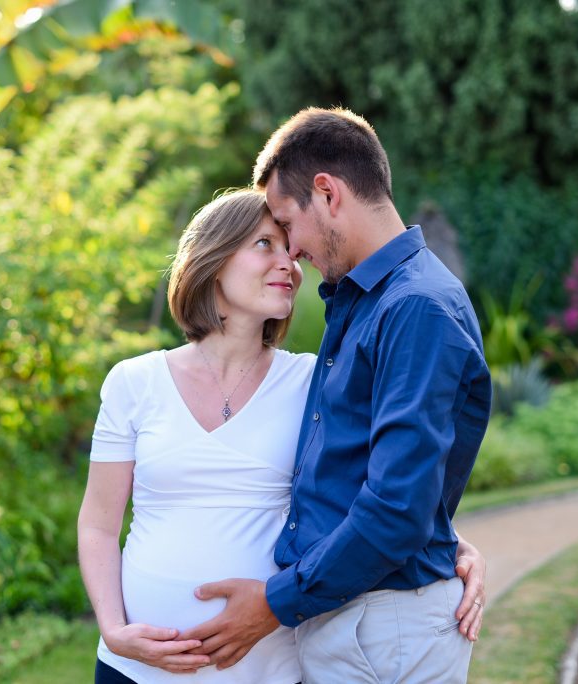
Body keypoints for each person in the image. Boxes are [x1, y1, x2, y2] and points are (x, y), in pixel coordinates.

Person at [78, 186, 488, 683]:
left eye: (291, 250)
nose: (290, 265)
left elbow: (382, 489)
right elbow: (99, 525)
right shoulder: (133, 382)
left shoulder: (314, 381)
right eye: (265, 245)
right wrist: (115, 629)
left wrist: (454, 545)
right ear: (213, 257)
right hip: (134, 669)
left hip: (268, 666)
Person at [178, 108, 492, 684]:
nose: (290, 252)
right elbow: (355, 475)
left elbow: (397, 509)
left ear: (326, 193)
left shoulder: (414, 307)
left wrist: (273, 605)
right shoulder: (368, 302)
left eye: (286, 223)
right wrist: (449, 540)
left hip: (383, 626)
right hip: (360, 621)